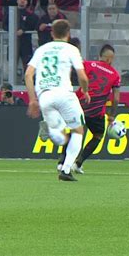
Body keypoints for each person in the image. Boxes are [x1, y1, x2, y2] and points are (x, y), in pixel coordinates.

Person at [25, 19, 91, 182]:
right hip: (64, 93)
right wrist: (85, 90)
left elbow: (28, 74)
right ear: (68, 34)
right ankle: (66, 169)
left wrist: (33, 100)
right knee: (78, 131)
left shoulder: (42, 49)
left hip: (44, 96)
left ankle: (51, 128)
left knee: (60, 132)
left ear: (52, 33)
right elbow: (82, 76)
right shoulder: (71, 49)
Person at [55, 44, 121, 174]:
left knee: (74, 131)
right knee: (98, 135)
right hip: (96, 111)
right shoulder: (115, 75)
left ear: (100, 56)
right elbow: (117, 98)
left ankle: (62, 162)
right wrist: (112, 115)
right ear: (110, 58)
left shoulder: (89, 64)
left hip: (79, 104)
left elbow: (74, 71)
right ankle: (78, 164)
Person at [4, 0, 39, 72]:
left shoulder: (31, 15)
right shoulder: (10, 12)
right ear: (17, 1)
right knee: (12, 63)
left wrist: (24, 30)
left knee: (27, 63)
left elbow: (34, 25)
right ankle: (11, 82)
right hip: (13, 42)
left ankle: (26, 81)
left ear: (27, 2)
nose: (22, 1)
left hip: (25, 42)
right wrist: (12, 30)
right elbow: (4, 25)